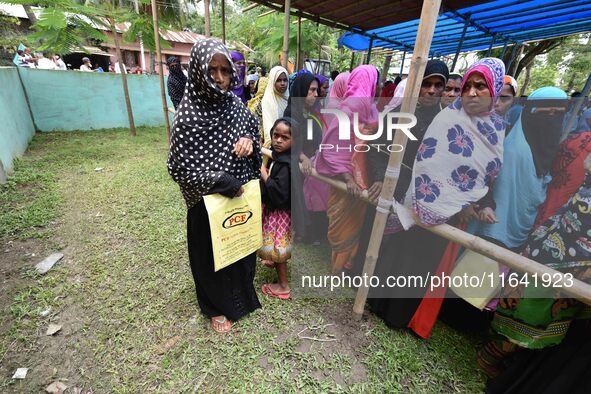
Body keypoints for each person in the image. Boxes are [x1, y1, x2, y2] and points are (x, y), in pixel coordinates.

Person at [367, 58, 506, 338]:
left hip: (449, 212)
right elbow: (424, 157)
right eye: (469, 85)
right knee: (398, 253)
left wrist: (475, 202)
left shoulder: (495, 130)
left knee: (420, 262)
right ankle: (377, 303)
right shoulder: (445, 117)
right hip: (415, 198)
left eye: (482, 86)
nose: (473, 92)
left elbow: (486, 173)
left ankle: (398, 316)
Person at [167, 38, 261, 334]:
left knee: (239, 249)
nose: (220, 78)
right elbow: (178, 168)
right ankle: (214, 307)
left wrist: (249, 141)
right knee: (210, 254)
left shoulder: (236, 106)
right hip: (207, 202)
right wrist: (219, 181)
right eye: (212, 70)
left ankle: (241, 297)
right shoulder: (187, 116)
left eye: (225, 70)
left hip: (239, 195)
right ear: (197, 71)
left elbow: (253, 131)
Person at [478, 154, 591, 378]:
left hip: (571, 243)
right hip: (569, 243)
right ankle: (492, 353)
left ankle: (511, 359)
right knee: (534, 306)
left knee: (552, 309)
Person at [316, 65, 380, 273]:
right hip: (347, 183)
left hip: (365, 179)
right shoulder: (346, 110)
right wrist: (349, 179)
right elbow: (333, 149)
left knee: (352, 225)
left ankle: (342, 267)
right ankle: (335, 271)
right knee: (340, 225)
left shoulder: (371, 109)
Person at [259, 118, 293, 299]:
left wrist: (264, 174)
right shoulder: (280, 157)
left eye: (285, 137)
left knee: (278, 247)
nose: (278, 140)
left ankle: (283, 286)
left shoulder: (287, 165)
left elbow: (280, 194)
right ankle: (272, 260)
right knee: (275, 246)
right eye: (275, 135)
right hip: (277, 212)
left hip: (279, 214)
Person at [283, 72, 320, 242]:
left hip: (312, 161)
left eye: (317, 90)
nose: (316, 94)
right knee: (298, 192)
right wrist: (302, 156)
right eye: (311, 90)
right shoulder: (291, 112)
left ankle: (310, 227)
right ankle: (302, 228)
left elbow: (313, 138)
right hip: (295, 161)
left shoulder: (312, 113)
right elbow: (287, 140)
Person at [260, 66, 289, 145]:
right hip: (275, 144)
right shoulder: (267, 100)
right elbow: (268, 126)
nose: (282, 83)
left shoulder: (289, 99)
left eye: (285, 80)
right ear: (272, 81)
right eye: (278, 80)